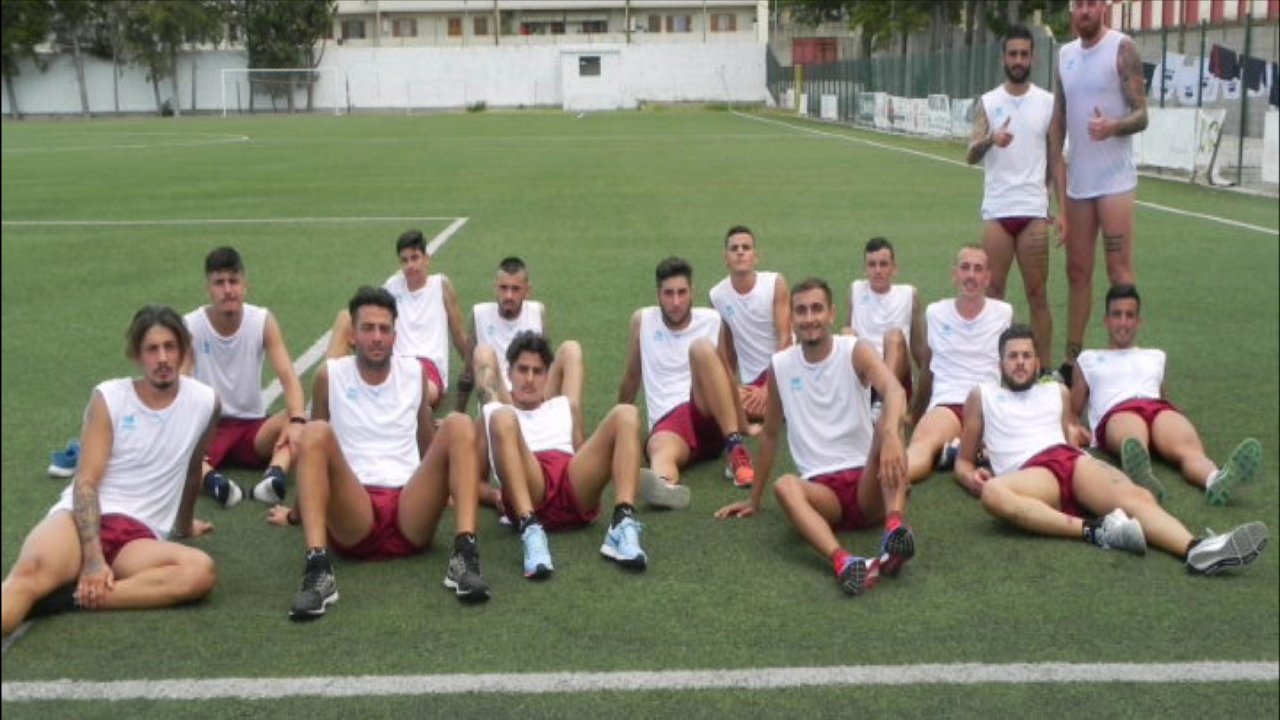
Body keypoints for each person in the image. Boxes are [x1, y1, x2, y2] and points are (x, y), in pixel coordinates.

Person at [955, 324, 1268, 576]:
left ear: (1037, 362)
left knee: (1138, 497)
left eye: (1027, 355)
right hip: (1032, 472)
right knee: (993, 493)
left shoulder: (1057, 392)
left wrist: (1082, 440)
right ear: (1000, 364)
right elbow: (963, 462)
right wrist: (971, 477)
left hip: (1072, 460)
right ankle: (1096, 530)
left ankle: (1197, 549)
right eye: (1012, 356)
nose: (1020, 362)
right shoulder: (983, 396)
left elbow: (1067, 438)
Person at [2, 306, 219, 637]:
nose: (162, 358)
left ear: (184, 350)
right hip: (79, 520)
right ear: (137, 354)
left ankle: (71, 599)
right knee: (28, 575)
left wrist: (185, 525)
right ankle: (74, 583)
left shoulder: (205, 402)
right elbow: (86, 481)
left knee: (199, 572)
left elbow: (193, 469)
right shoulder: (110, 397)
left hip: (139, 537)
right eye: (152, 349)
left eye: (170, 347)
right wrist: (92, 559)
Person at [283, 286, 489, 621]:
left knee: (459, 423)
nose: (377, 337)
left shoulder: (414, 373)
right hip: (355, 510)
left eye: (384, 329)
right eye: (368, 328)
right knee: (315, 431)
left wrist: (445, 487)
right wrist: (295, 513)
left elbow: (426, 442)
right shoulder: (330, 375)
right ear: (352, 335)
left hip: (409, 509)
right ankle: (318, 569)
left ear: (395, 335)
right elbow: (313, 455)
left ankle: (464, 556)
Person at [716, 278, 913, 596]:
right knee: (785, 485)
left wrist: (890, 434)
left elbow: (894, 390)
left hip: (868, 481)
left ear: (831, 314)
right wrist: (754, 499)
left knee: (888, 425)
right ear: (792, 318)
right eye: (801, 311)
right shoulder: (781, 365)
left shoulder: (854, 350)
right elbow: (769, 434)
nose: (810, 318)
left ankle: (895, 527)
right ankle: (844, 562)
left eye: (817, 309)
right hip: (823, 495)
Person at [478, 331, 650, 577]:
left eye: (537, 371)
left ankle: (622, 523)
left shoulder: (563, 406)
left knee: (626, 413)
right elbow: (474, 481)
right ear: (509, 373)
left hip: (571, 484)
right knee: (502, 416)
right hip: (532, 485)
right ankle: (530, 529)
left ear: (547, 376)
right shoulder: (494, 413)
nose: (529, 379)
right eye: (522, 370)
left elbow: (582, 454)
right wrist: (494, 496)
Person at [1071, 284, 1262, 505]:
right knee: (1133, 438)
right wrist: (1075, 430)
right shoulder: (1088, 359)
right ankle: (1142, 474)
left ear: (1138, 322)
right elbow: (1074, 412)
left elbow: (1162, 397)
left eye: (1130, 315)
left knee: (1189, 449)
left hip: (1157, 408)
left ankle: (1214, 478)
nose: (1123, 322)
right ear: (1106, 320)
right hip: (1118, 411)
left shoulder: (1156, 356)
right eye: (1117, 315)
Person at [1051, 0, 1148, 385]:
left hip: (1114, 183)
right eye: (1079, 5)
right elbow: (1059, 121)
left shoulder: (1122, 48)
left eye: (1091, 4)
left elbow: (1142, 114)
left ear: (1104, 7)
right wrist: (1057, 180)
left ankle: (1126, 360)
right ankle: (1071, 362)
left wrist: (1113, 127)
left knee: (1118, 270)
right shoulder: (1065, 55)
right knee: (1077, 272)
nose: (1085, 11)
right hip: (1079, 185)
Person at [618, 257, 754, 506]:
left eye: (682, 292)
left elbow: (726, 376)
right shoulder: (643, 321)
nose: (676, 302)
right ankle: (666, 486)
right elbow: (631, 376)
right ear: (658, 295)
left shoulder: (711, 320)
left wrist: (744, 426)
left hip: (707, 413)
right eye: (668, 294)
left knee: (701, 349)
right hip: (669, 424)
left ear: (692, 292)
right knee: (660, 451)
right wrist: (619, 427)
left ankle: (735, 449)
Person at [968, 24, 1064, 370]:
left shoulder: (1047, 103)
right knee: (993, 297)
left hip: (1033, 213)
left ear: (1033, 58)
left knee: (1038, 296)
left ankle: (1045, 371)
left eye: (1024, 54)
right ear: (1003, 58)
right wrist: (991, 139)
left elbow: (1056, 159)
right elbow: (970, 154)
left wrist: (1061, 210)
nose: (1018, 60)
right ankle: (995, 369)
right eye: (1013, 54)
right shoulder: (989, 102)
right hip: (997, 212)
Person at [183, 246, 308, 510]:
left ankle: (274, 475)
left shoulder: (262, 321)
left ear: (245, 285)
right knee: (175, 442)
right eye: (219, 283)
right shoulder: (191, 325)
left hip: (253, 429)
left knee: (300, 419)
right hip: (210, 429)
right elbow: (180, 387)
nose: (228, 290)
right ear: (208, 289)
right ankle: (215, 482)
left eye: (234, 281)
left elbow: (288, 377)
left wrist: (297, 421)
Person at [325, 229, 469, 410]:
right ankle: (326, 394)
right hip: (393, 362)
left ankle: (373, 402)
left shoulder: (440, 285)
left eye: (415, 258)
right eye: (404, 260)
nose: (410, 265)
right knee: (345, 317)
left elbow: (458, 333)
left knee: (422, 393)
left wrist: (472, 369)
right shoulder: (392, 286)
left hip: (427, 366)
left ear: (427, 259)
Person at [905, 245, 1013, 483]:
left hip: (989, 405)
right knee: (921, 447)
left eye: (978, 269)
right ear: (954, 274)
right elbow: (928, 368)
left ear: (987, 278)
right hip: (948, 403)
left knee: (1023, 448)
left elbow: (1013, 367)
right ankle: (887, 483)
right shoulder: (935, 313)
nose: (971, 275)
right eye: (965, 268)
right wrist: (915, 414)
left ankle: (962, 448)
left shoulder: (1004, 313)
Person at [707, 225, 791, 429]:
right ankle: (780, 408)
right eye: (734, 248)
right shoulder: (717, 296)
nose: (740, 252)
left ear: (756, 257)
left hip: (784, 369)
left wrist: (769, 385)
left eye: (746, 247)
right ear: (726, 259)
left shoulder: (775, 283)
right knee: (714, 402)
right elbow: (727, 350)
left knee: (734, 409)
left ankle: (780, 405)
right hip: (751, 383)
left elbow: (786, 337)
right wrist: (731, 389)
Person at [454, 256, 547, 414]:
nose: (508, 295)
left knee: (571, 350)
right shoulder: (479, 315)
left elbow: (545, 366)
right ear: (495, 288)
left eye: (516, 289)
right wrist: (457, 414)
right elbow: (468, 374)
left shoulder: (537, 312)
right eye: (503, 288)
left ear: (527, 291)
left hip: (529, 398)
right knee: (483, 354)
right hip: (497, 401)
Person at [844, 237, 925, 404]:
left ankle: (882, 402)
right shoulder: (856, 290)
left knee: (894, 337)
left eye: (883, 264)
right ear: (865, 269)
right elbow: (847, 340)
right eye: (872, 265)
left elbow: (918, 348)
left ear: (894, 268)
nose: (878, 270)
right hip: (864, 373)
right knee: (847, 334)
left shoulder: (908, 295)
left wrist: (928, 390)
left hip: (897, 376)